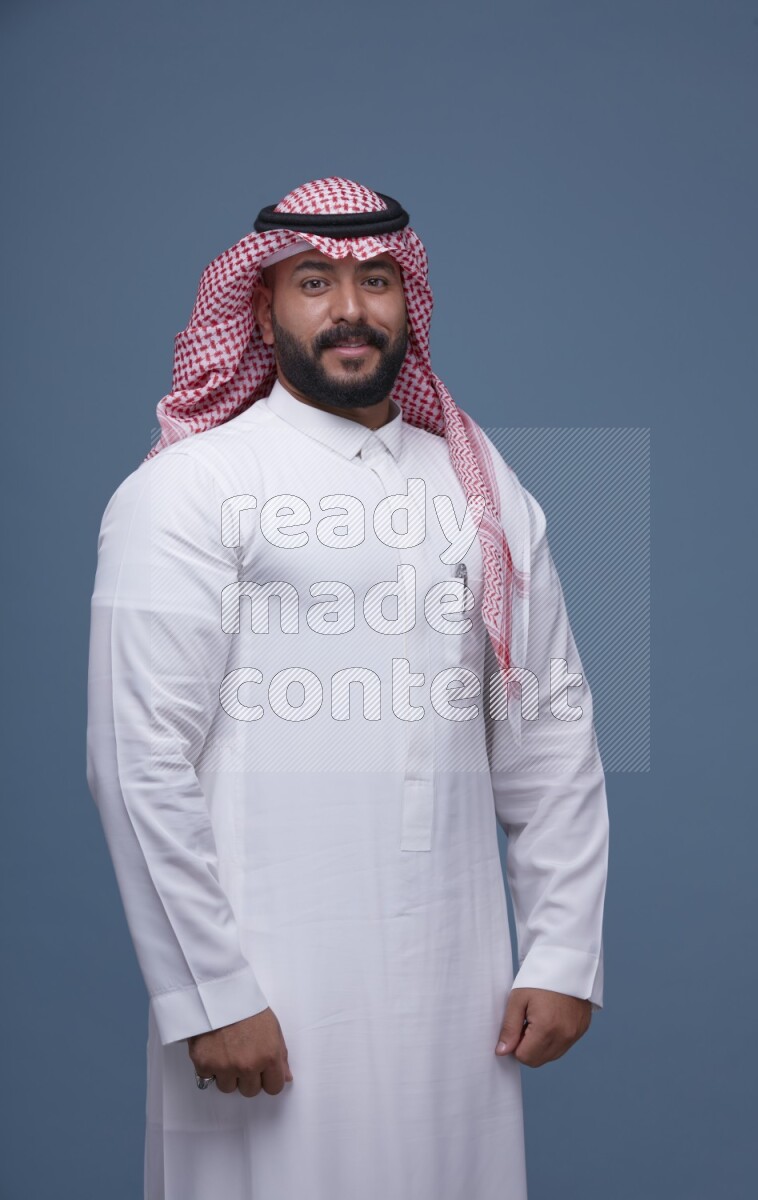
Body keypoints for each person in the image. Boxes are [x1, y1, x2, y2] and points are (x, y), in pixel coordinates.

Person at [86, 177, 609, 1200]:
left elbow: (549, 728)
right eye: (314, 282)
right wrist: (208, 993)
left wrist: (560, 952)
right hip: (271, 985)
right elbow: (136, 758)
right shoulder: (191, 488)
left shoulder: (479, 481)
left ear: (408, 300)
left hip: (459, 994)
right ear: (261, 305)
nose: (349, 310)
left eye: (375, 281)